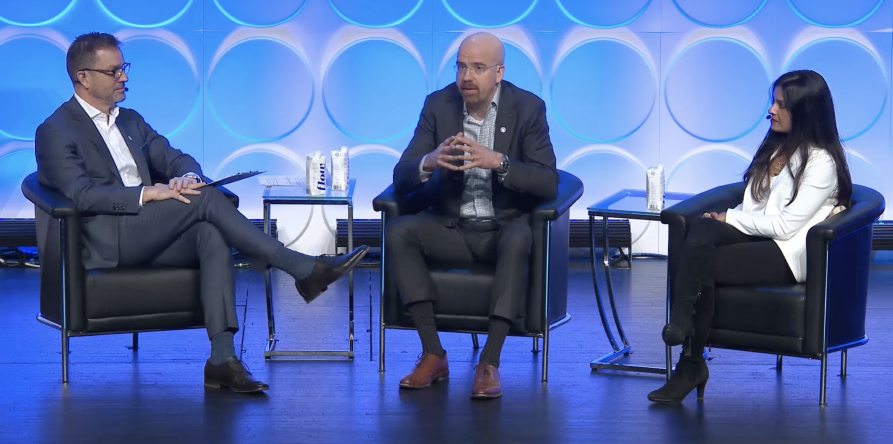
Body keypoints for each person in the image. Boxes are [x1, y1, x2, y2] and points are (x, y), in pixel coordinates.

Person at [34, 32, 368, 393]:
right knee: (205, 201)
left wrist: (188, 177)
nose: (124, 77)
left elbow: (176, 158)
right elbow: (82, 195)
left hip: (151, 230)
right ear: (83, 77)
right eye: (113, 71)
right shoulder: (55, 131)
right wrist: (149, 193)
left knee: (210, 232)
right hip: (108, 239)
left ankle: (222, 359)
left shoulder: (130, 120)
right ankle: (303, 268)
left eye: (124, 68)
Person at [648, 70, 853, 404]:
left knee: (702, 262)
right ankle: (683, 328)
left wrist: (731, 218)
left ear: (805, 111)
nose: (771, 110)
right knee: (701, 228)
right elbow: (755, 206)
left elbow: (786, 227)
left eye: (781, 104)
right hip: (759, 237)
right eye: (773, 102)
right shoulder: (776, 149)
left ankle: (690, 363)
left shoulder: (821, 163)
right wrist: (725, 219)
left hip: (787, 252)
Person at [386, 32, 559, 399]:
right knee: (399, 232)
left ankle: (489, 361)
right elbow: (401, 175)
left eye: (478, 68)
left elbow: (548, 181)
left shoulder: (528, 108)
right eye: (461, 67)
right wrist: (428, 162)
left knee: (519, 238)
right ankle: (433, 353)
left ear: (499, 72)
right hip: (451, 226)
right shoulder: (438, 105)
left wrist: (499, 162)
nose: (467, 76)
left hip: (502, 228)